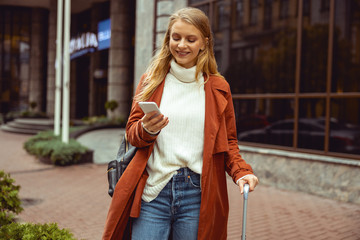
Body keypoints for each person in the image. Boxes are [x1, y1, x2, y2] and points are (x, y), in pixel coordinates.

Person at [102, 7, 258, 240]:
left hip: (197, 195)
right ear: (168, 40)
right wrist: (146, 129)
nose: (181, 45)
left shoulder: (218, 87)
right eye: (176, 37)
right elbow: (131, 135)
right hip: (153, 192)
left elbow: (229, 142)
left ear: (204, 43)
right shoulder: (152, 81)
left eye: (190, 39)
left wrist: (241, 172)